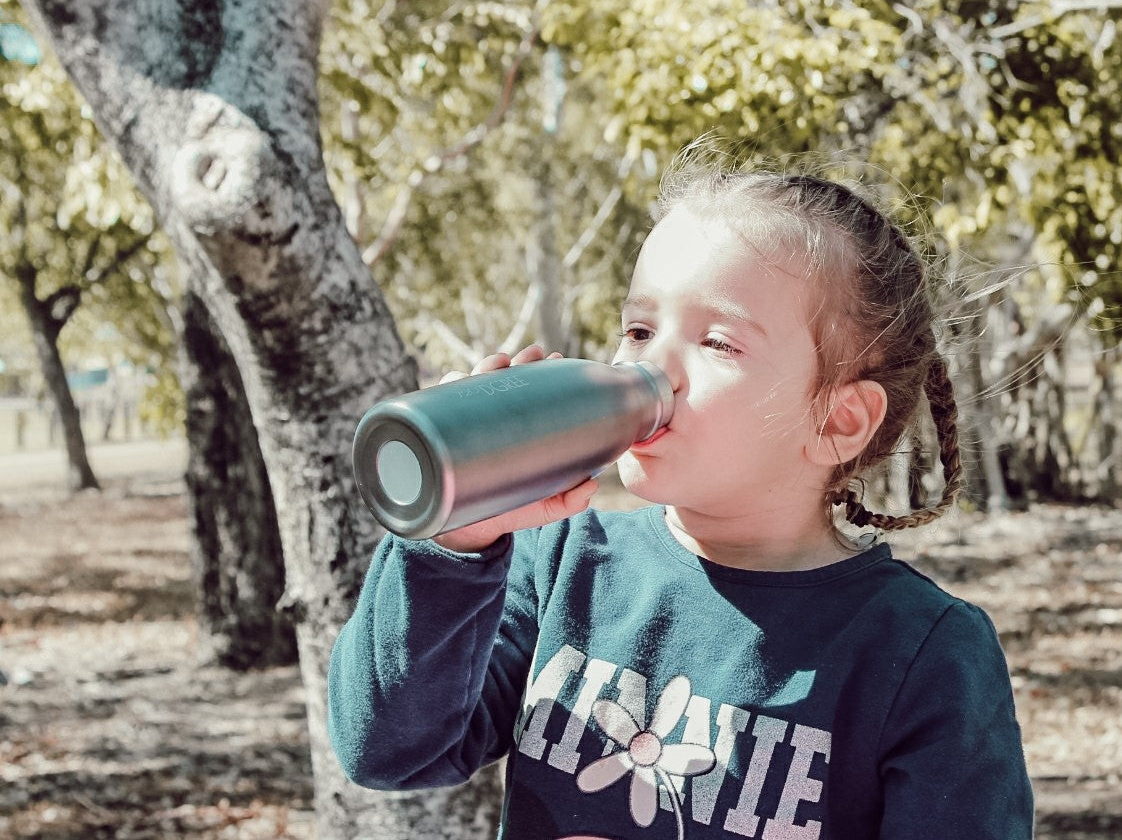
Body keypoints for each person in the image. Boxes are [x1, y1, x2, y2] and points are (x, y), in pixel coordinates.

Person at [328, 158, 1035, 839]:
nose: (652, 366)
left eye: (718, 342)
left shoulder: (924, 654)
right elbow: (388, 750)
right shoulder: (563, 563)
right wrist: (452, 543)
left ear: (836, 421)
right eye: (639, 330)